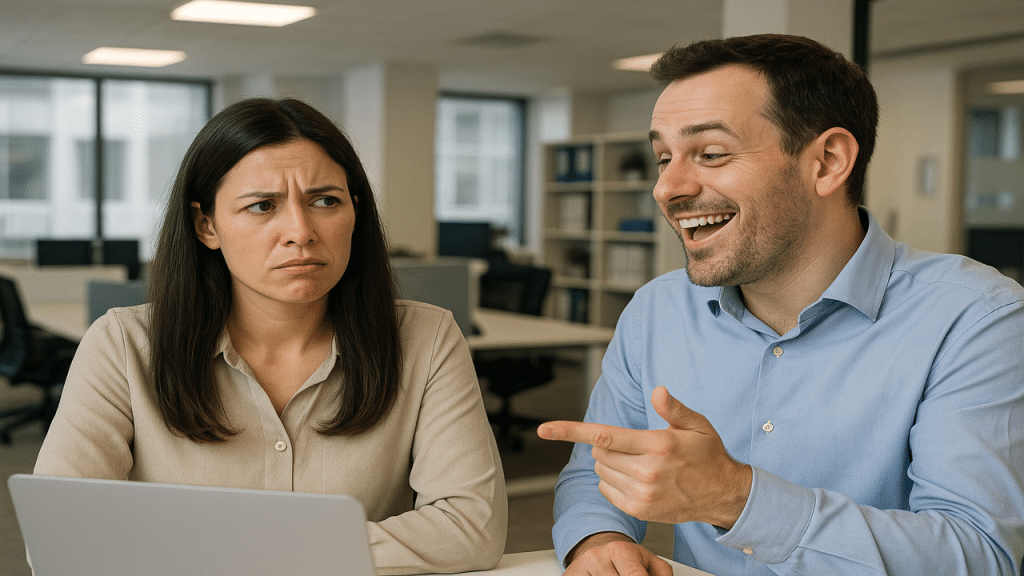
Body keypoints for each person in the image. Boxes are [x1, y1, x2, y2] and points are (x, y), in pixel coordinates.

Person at [538, 34, 1024, 575]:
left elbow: (980, 557)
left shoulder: (977, 318)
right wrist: (599, 539)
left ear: (827, 161)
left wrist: (737, 498)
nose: (667, 188)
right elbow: (595, 472)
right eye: (663, 158)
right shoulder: (657, 310)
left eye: (712, 154)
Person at [33, 97, 507, 574]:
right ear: (206, 226)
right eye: (262, 206)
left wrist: (236, 552)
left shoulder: (426, 338)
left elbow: (471, 528)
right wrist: (321, 549)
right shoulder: (123, 345)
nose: (300, 231)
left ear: (355, 211)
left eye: (325, 201)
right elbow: (61, 535)